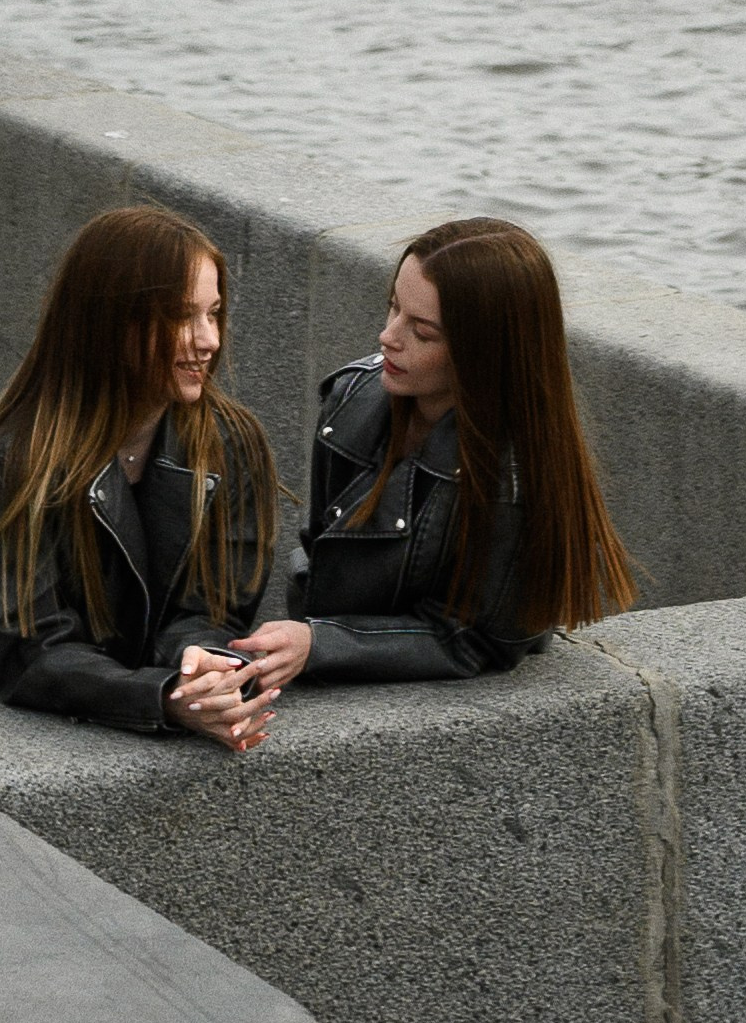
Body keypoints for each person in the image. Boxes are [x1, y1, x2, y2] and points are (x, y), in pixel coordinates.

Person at [0, 203, 280, 747]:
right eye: (182, 316)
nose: (209, 341)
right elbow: (34, 652)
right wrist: (164, 697)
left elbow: (216, 605)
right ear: (112, 323)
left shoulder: (231, 441)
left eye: (213, 313)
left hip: (127, 679)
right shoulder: (17, 458)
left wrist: (196, 670)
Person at [230, 216, 635, 692]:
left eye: (422, 331)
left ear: (483, 353)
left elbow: (482, 642)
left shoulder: (515, 474)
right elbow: (320, 550)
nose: (388, 337)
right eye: (393, 308)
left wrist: (323, 643)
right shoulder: (349, 398)